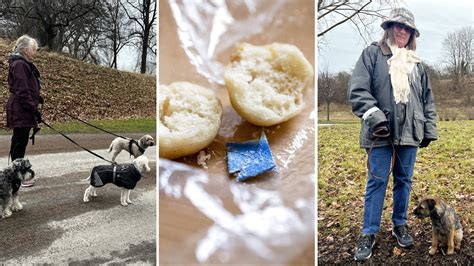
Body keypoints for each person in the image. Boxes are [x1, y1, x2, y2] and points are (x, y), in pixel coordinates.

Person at [348, 8, 437, 261]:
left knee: (404, 180)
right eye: (397, 26)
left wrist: (428, 128)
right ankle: (369, 232)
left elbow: (426, 100)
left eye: (407, 28)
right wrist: (375, 117)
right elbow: (358, 90)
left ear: (412, 34)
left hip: (410, 133)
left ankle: (400, 224)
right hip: (380, 132)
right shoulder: (372, 55)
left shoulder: (417, 65)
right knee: (377, 182)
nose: (401, 31)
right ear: (389, 28)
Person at [6, 35, 43, 187]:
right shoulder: (20, 64)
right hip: (21, 109)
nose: (35, 52)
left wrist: (37, 99)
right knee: (19, 143)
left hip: (23, 108)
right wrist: (33, 108)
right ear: (26, 50)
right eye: (33, 49)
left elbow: (26, 88)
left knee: (18, 141)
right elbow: (22, 90)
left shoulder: (22, 63)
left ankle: (15, 175)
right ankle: (17, 177)